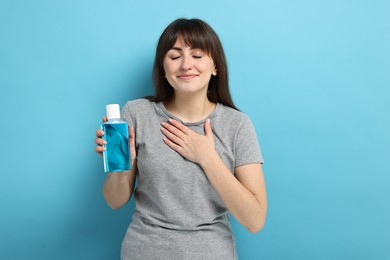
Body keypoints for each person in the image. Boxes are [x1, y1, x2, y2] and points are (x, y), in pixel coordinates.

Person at [95, 18, 268, 260]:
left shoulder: (237, 125)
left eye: (197, 55)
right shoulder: (136, 114)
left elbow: (254, 220)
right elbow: (114, 201)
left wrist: (207, 157)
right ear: (163, 69)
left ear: (215, 66)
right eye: (175, 57)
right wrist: (122, 167)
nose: (186, 65)